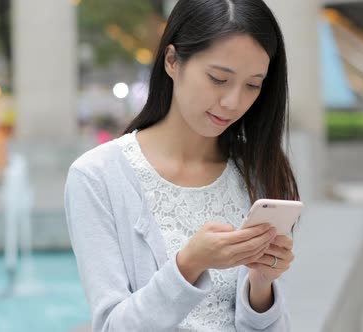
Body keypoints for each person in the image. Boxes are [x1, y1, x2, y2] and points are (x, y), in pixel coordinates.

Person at [64, 0, 300, 330]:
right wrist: (190, 263)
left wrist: (261, 287)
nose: (233, 102)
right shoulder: (97, 177)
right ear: (172, 61)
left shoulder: (255, 170)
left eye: (253, 85)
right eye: (219, 79)